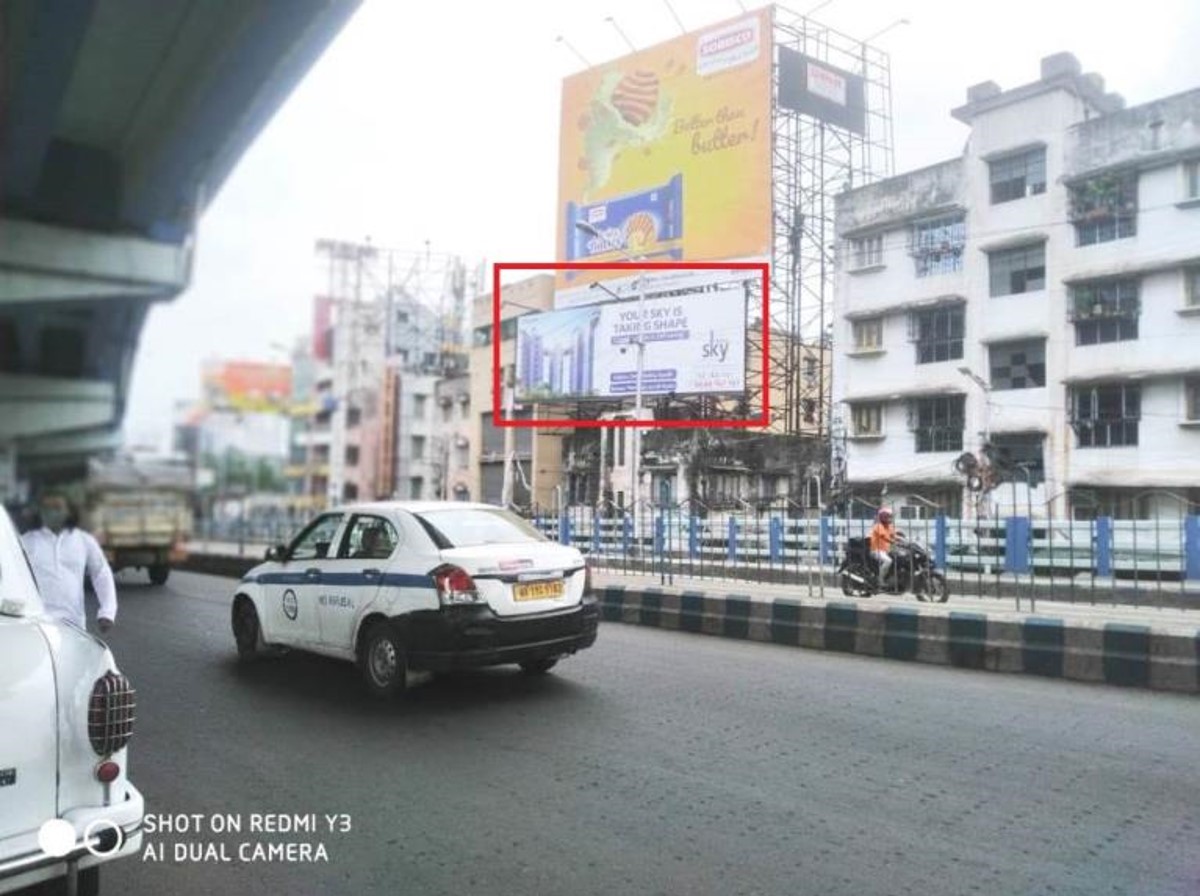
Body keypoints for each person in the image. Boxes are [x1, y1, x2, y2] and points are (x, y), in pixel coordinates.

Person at [21, 490, 117, 633]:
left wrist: (107, 612)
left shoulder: (84, 541)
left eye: (57, 507)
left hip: (74, 625)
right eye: (47, 508)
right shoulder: (26, 541)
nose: (52, 512)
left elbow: (101, 573)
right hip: (36, 625)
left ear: (69, 511)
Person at [869, 507, 899, 592]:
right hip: (876, 550)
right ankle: (880, 580)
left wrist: (905, 540)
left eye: (890, 517)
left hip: (885, 551)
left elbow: (894, 535)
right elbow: (885, 537)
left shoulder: (888, 527)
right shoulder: (878, 526)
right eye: (888, 517)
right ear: (883, 517)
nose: (890, 519)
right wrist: (893, 541)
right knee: (888, 561)